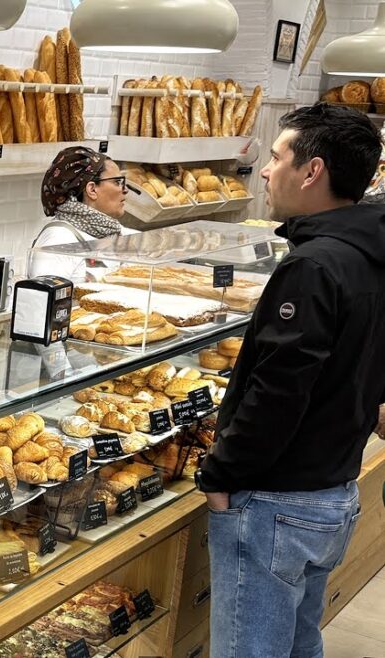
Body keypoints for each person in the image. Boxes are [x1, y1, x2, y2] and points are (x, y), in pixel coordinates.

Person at [195, 103, 385, 658]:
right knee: (300, 643)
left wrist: (220, 474)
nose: (264, 170)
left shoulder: (314, 266)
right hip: (334, 492)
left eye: (276, 157)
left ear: (312, 171)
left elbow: (278, 391)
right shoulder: (370, 253)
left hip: (276, 502)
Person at [28, 146, 132, 281]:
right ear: (92, 189)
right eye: (117, 182)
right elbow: (42, 300)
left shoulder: (112, 231)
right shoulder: (58, 241)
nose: (125, 190)